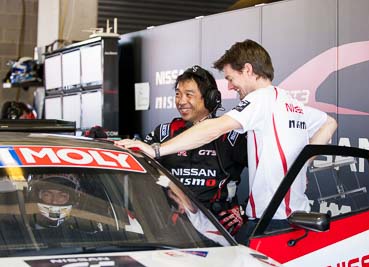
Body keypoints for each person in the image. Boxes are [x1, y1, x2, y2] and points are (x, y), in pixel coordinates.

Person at [116, 40, 337, 244]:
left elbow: (215, 128)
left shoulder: (261, 99)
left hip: (270, 220)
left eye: (231, 78)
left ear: (248, 70)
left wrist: (157, 150)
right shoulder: (289, 102)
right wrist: (301, 165)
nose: (230, 87)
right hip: (295, 217)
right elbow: (329, 123)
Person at [118, 65, 248, 235]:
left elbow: (267, 175)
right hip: (171, 232)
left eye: (189, 94)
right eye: (178, 94)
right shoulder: (164, 133)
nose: (181, 101)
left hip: (218, 233)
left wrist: (244, 211)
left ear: (210, 98)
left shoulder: (230, 136)